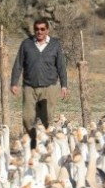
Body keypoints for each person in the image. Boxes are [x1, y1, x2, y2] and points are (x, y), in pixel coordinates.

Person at [10, 18, 68, 148]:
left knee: (47, 117)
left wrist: (64, 85)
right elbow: (18, 64)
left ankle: (47, 145)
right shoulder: (26, 44)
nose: (39, 32)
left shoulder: (55, 45)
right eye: (37, 29)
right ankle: (31, 146)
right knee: (28, 117)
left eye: (42, 29)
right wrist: (14, 82)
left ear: (47, 30)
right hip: (30, 86)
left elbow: (61, 66)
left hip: (50, 87)